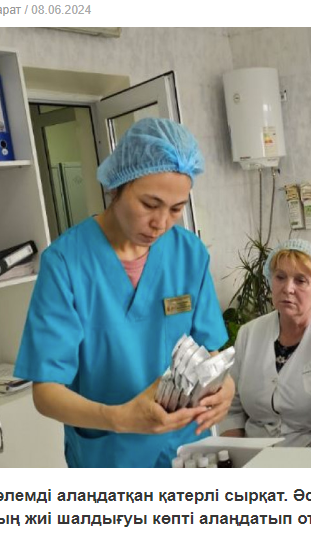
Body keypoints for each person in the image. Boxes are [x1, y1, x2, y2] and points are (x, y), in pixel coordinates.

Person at [14, 118, 234, 468]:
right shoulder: (67, 263)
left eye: (176, 209)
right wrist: (120, 418)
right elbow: (46, 393)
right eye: (149, 204)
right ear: (117, 186)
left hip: (188, 450)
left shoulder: (188, 253)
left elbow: (210, 351)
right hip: (110, 455)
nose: (161, 223)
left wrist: (226, 388)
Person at [220, 240, 311, 447]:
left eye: (300, 281)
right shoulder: (249, 334)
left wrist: (309, 462)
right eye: (280, 277)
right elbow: (232, 409)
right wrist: (232, 457)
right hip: (255, 454)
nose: (288, 288)